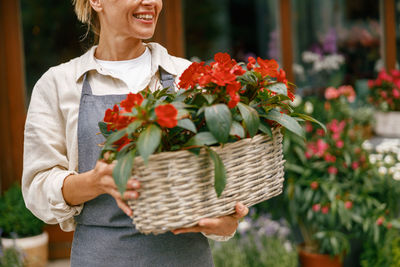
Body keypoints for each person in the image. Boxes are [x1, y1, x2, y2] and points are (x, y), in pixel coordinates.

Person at [22, 0, 248, 266]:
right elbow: (37, 188)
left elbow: (219, 181)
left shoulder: (187, 77)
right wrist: (93, 182)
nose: (152, 2)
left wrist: (225, 223)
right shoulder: (58, 85)